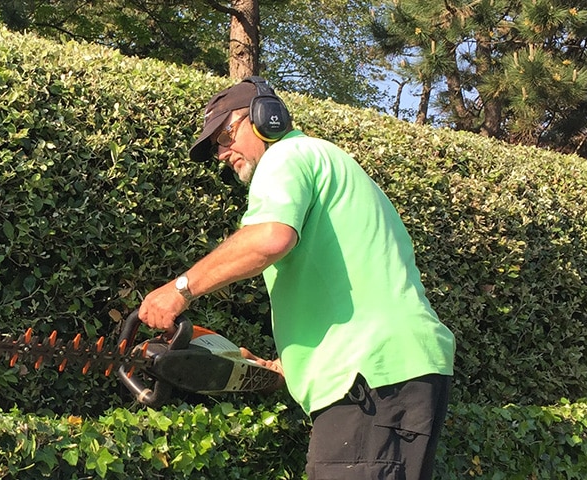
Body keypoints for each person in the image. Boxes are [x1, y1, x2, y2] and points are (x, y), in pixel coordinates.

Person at [137, 77, 456, 479]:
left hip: (368, 376)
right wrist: (292, 363)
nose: (221, 152)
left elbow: (271, 238)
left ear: (264, 119)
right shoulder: (328, 163)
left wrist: (179, 290)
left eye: (225, 135)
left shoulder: (286, 156)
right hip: (388, 370)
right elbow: (356, 279)